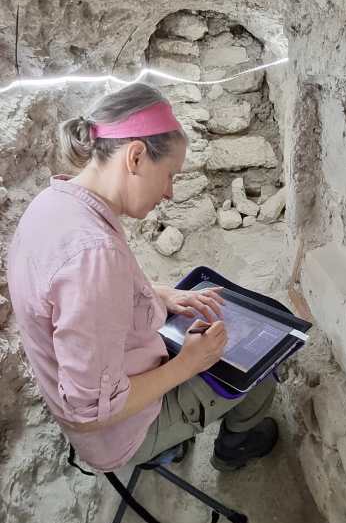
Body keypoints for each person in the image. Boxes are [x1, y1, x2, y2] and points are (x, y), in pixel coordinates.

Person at [7, 82, 278, 476]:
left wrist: (154, 293)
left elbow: (70, 299)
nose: (169, 193)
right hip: (118, 432)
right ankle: (233, 449)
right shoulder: (93, 255)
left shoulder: (55, 203)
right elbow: (91, 411)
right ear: (135, 157)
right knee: (259, 372)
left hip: (104, 386)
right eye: (168, 175)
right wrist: (188, 364)